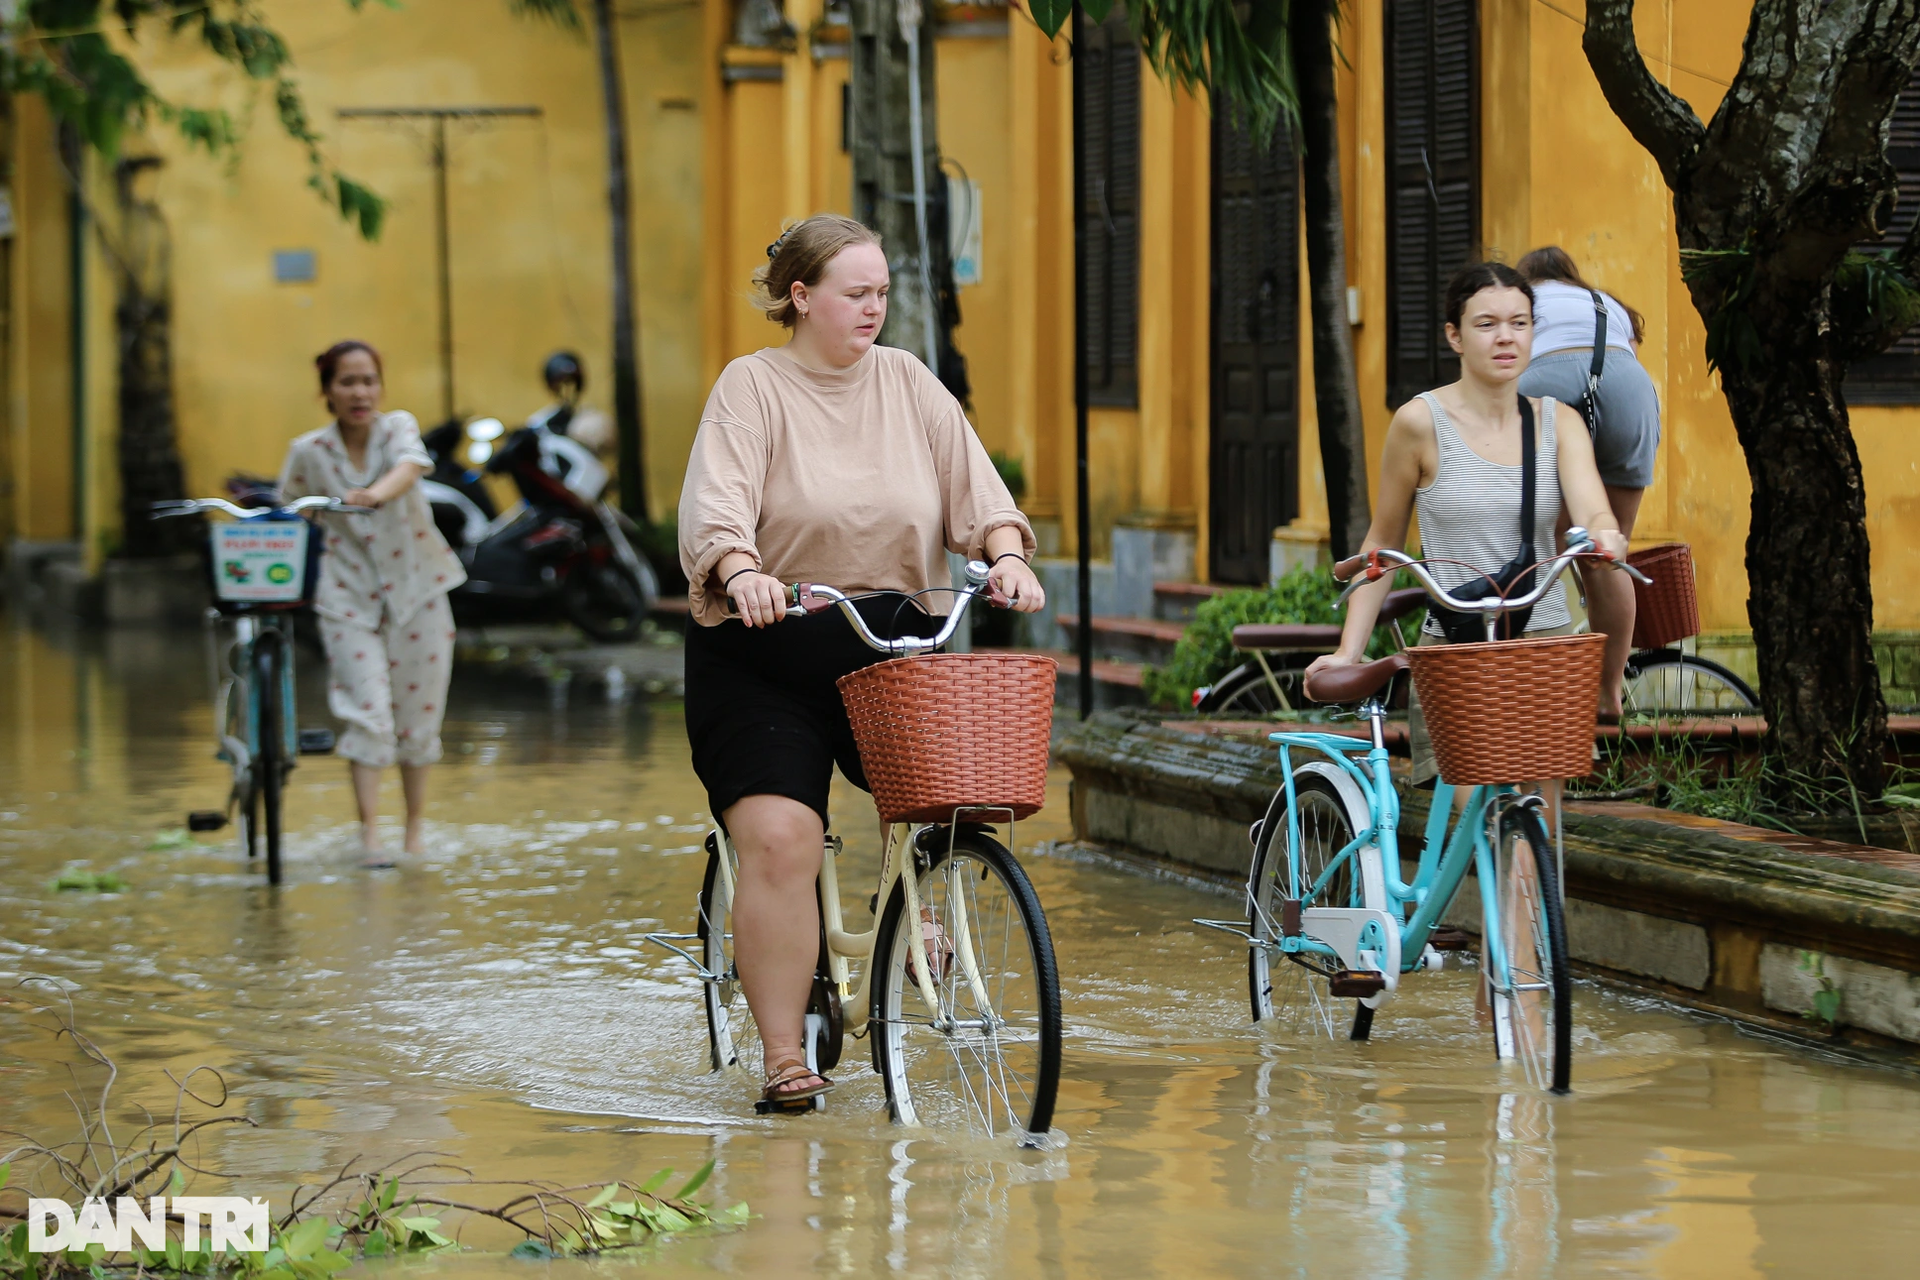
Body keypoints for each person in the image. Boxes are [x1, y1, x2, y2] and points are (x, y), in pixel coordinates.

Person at [677, 213, 1045, 1111]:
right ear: (801, 297)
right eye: (857, 293)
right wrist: (742, 570)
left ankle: (915, 909)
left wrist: (1005, 552)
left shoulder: (909, 383)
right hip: (766, 651)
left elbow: (976, 490)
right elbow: (716, 506)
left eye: (883, 292)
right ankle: (782, 1055)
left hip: (894, 644)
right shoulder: (751, 388)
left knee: (944, 804)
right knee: (782, 838)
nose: (875, 308)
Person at [1307, 262, 1629, 787]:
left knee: (1536, 829)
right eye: (1487, 324)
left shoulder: (1559, 423)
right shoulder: (1419, 423)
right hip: (1456, 649)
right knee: (1471, 821)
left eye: (1519, 323)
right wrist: (1348, 651)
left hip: (1541, 641)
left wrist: (1603, 533)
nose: (1506, 337)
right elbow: (1382, 547)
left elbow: (1593, 509)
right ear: (1454, 336)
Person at [279, 341, 467, 868]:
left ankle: (413, 834)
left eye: (368, 381)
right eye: (347, 382)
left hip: (419, 588)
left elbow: (411, 465)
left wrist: (375, 494)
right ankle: (368, 836)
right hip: (345, 596)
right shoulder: (309, 451)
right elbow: (290, 508)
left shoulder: (397, 429)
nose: (359, 392)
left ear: (380, 387)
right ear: (327, 392)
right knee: (368, 714)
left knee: (419, 719)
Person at [1516, 246, 1662, 716]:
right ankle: (1608, 693)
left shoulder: (1517, 301)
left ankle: (1542, 685)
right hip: (1626, 386)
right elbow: (1626, 356)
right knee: (1607, 550)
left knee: (1545, 541)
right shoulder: (1604, 303)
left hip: (1544, 381)